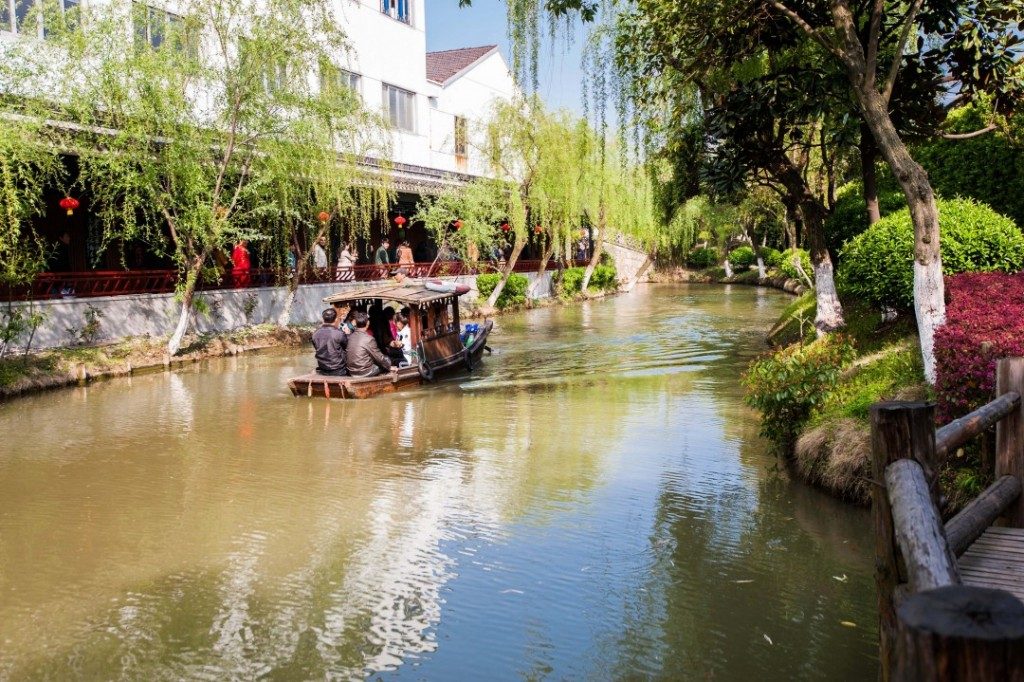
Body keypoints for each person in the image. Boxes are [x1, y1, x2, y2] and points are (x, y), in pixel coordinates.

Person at [346, 311, 393, 377]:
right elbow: (379, 358)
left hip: (352, 371)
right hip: (364, 372)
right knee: (387, 360)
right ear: (368, 323)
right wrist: (389, 366)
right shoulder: (369, 339)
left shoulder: (350, 336)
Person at [311, 307, 350, 376]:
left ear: (323, 319)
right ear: (335, 320)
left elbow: (317, 348)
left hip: (322, 367)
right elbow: (347, 347)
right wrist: (348, 335)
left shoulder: (315, 334)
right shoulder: (339, 333)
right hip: (339, 369)